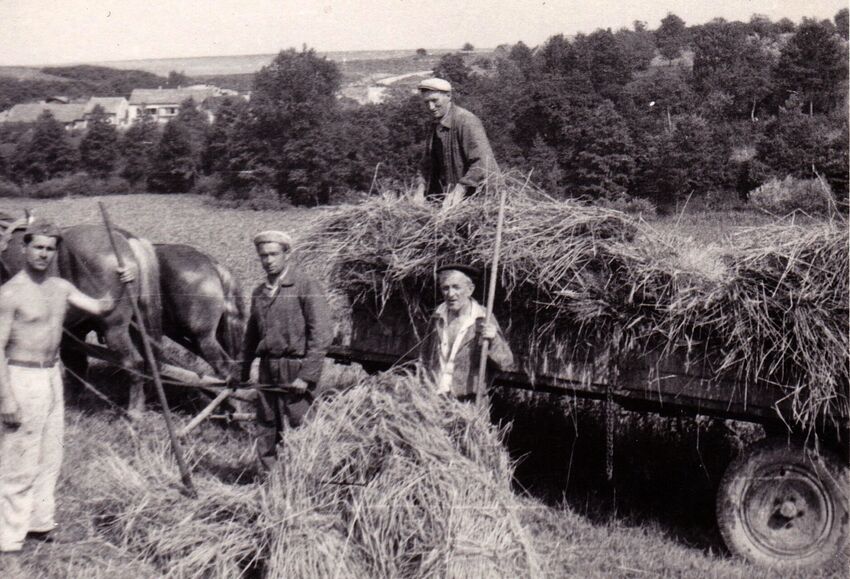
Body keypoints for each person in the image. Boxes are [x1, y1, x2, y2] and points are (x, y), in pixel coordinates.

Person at [0, 220, 134, 554]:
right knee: (19, 459)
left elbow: (101, 307)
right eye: (38, 247)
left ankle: (40, 523)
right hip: (21, 375)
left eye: (50, 248)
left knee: (50, 455)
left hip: (51, 375)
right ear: (24, 248)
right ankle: (8, 537)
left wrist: (121, 283)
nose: (44, 254)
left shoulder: (60, 287)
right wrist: (5, 398)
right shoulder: (10, 293)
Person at [241, 230, 332, 471]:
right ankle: (270, 477)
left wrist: (307, 375)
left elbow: (321, 334)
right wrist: (241, 372)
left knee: (301, 422)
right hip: (267, 369)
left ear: (286, 255)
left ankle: (307, 475)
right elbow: (251, 336)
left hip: (296, 367)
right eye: (263, 256)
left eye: (273, 254)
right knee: (267, 424)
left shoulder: (304, 285)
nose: (268, 260)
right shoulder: (259, 293)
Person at [419, 264, 513, 401]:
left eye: (456, 287)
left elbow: (506, 363)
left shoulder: (483, 317)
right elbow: (424, 358)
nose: (450, 294)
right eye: (445, 288)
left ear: (470, 290)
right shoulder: (438, 316)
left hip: (469, 402)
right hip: (435, 401)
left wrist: (493, 340)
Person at [415, 78, 498, 208]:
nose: (431, 107)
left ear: (448, 96)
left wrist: (459, 190)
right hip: (452, 201)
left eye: (435, 100)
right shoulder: (433, 125)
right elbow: (426, 164)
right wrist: (420, 190)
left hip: (481, 201)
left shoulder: (466, 121)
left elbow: (482, 162)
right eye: (426, 102)